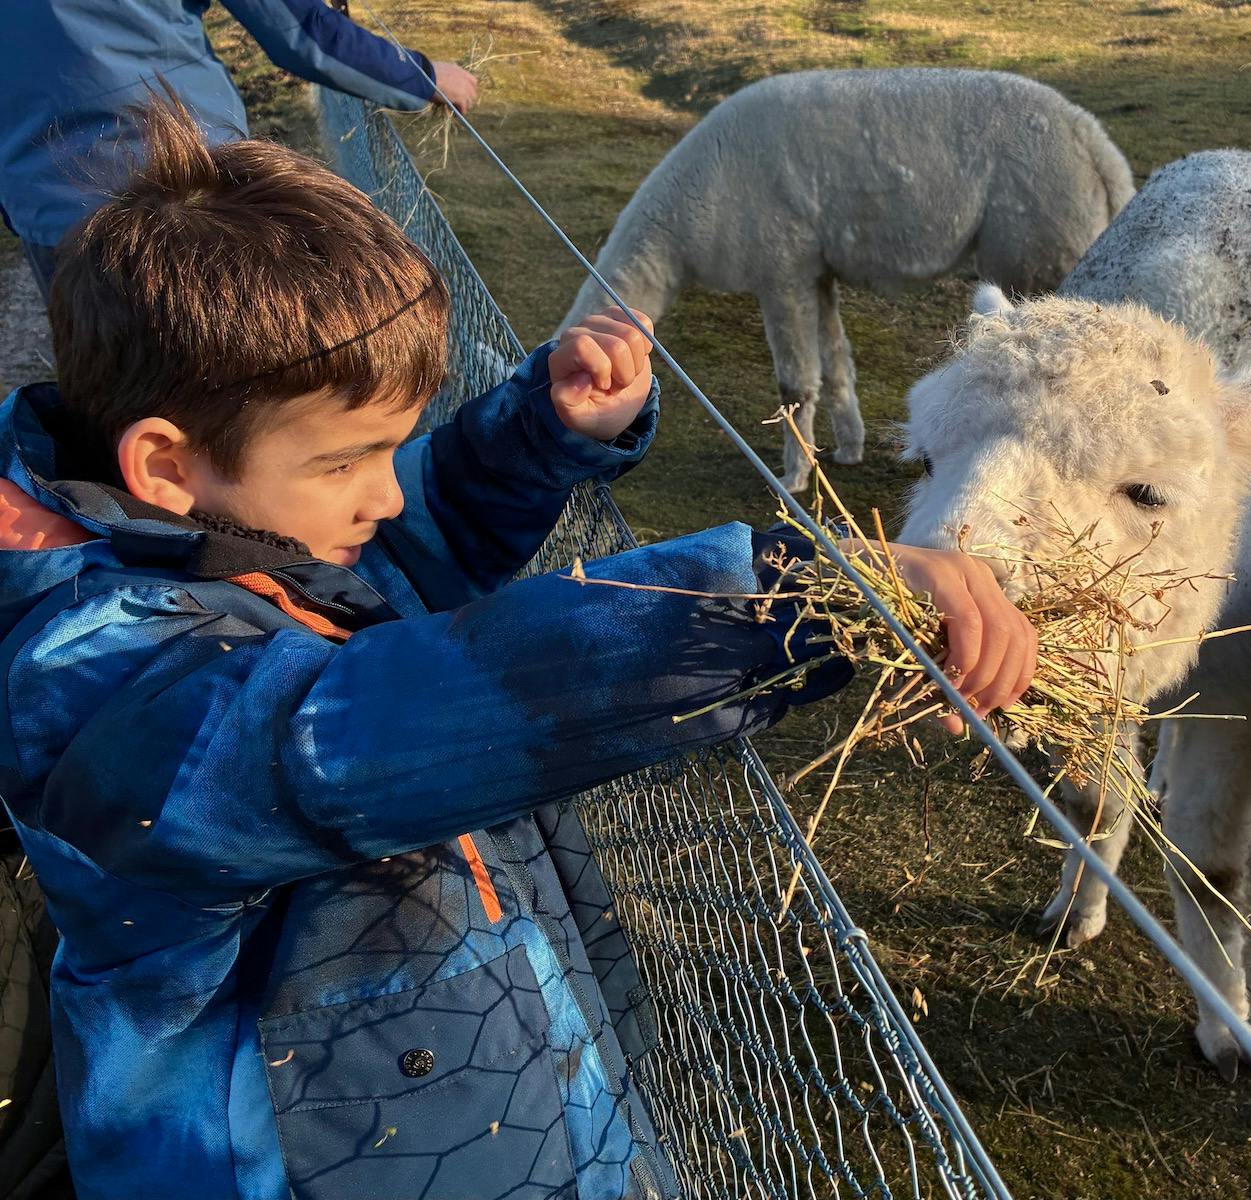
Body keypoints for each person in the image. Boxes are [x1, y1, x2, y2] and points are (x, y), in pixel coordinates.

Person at [0, 96, 1037, 1200]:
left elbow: (408, 540)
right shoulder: (95, 684)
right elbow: (350, 725)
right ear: (165, 466)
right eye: (350, 458)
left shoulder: (229, 528)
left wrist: (540, 432)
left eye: (394, 446)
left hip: (460, 1092)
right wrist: (787, 599)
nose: (385, 490)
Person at [1, 0, 478, 295]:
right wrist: (421, 76)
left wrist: (17, 200)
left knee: (110, 391)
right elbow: (302, 32)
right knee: (230, 390)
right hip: (190, 188)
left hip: (47, 208)